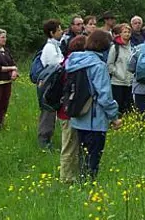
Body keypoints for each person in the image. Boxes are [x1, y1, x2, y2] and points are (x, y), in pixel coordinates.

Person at [66, 30, 122, 180]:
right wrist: (114, 117)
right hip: (94, 119)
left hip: (78, 116)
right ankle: (88, 186)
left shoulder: (74, 61)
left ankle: (82, 182)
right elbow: (104, 96)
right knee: (93, 158)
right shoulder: (98, 66)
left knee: (82, 155)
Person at [58, 34, 86, 184]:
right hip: (68, 111)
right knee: (69, 146)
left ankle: (72, 175)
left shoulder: (68, 61)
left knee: (73, 145)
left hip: (67, 110)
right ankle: (66, 178)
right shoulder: (73, 64)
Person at [37, 18, 64, 150]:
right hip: (48, 84)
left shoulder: (55, 46)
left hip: (53, 84)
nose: (62, 32)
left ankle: (48, 140)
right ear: (52, 33)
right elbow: (56, 64)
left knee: (52, 113)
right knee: (48, 112)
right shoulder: (49, 47)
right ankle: (44, 141)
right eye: (59, 30)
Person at [107, 23, 134, 115]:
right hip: (117, 82)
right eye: (124, 32)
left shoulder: (133, 48)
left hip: (130, 82)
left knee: (129, 107)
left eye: (128, 32)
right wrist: (118, 74)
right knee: (118, 106)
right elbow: (109, 65)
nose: (127, 34)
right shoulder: (115, 47)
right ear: (120, 34)